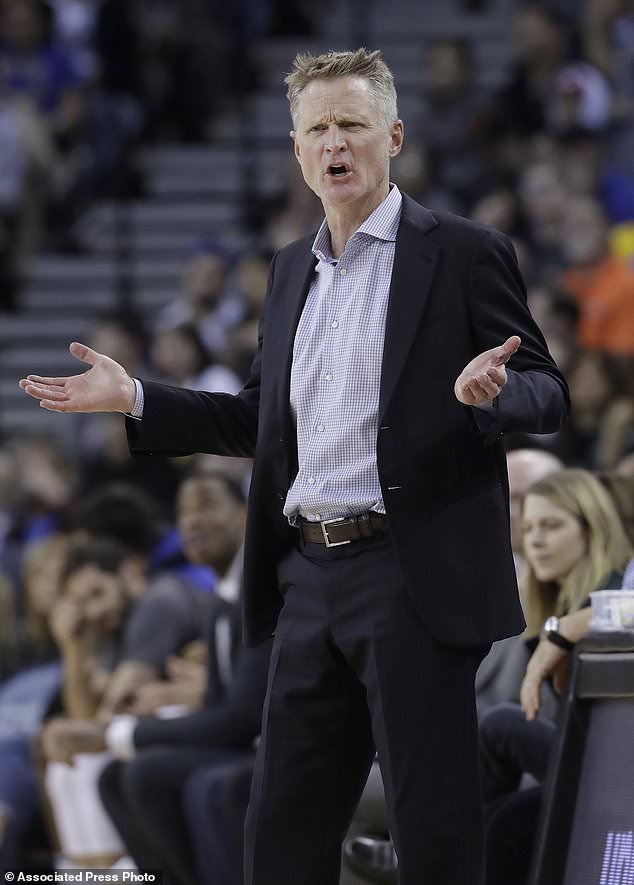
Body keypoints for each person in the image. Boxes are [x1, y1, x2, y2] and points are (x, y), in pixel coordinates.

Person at [19, 48, 570, 885]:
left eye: (351, 123)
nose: (334, 142)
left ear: (394, 136)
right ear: (297, 148)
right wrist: (136, 396)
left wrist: (491, 394)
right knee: (278, 835)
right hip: (308, 575)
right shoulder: (288, 271)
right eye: (317, 128)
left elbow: (548, 391)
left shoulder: (461, 252)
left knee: (437, 837)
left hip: (410, 575)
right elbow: (256, 422)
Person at [481, 468, 632, 885]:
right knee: (499, 819)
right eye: (528, 528)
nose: (535, 541)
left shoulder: (619, 585)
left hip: (620, 775)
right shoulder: (551, 605)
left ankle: (424, 849)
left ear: (591, 529)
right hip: (595, 768)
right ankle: (432, 847)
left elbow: (630, 607)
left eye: (552, 525)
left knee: (503, 727)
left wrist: (564, 631)